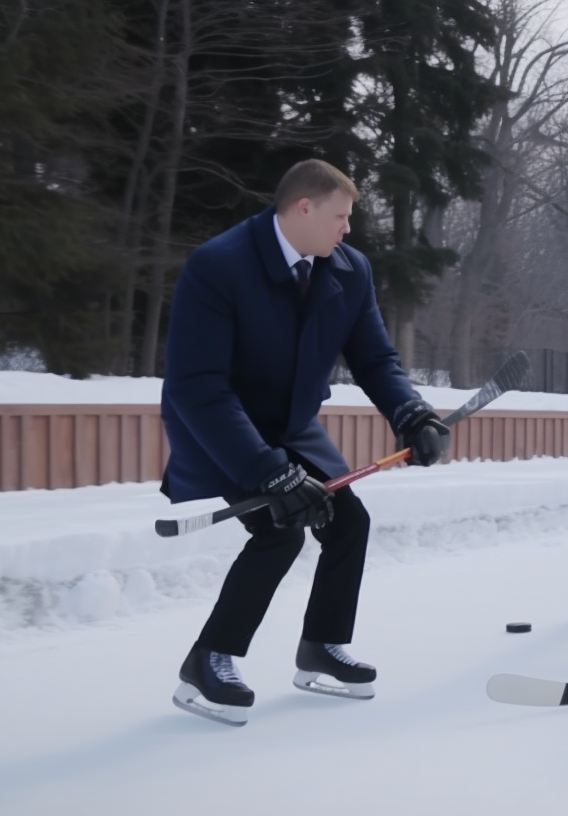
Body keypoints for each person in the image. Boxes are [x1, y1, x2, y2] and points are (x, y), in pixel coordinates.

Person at [160, 159, 449, 726]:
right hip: (221, 425)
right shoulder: (219, 265)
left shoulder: (348, 268)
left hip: (291, 423)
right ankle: (208, 660)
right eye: (340, 217)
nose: (348, 229)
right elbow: (198, 387)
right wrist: (269, 472)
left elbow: (374, 357)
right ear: (303, 209)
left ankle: (321, 646)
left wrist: (410, 412)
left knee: (347, 522)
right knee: (279, 530)